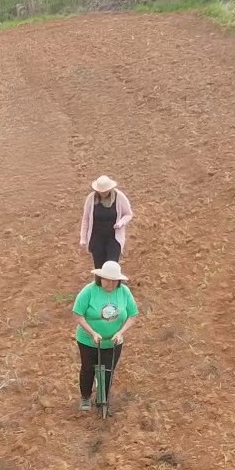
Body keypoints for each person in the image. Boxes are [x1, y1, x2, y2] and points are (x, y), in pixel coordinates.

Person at [72, 260, 140, 411]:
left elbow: (133, 315)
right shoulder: (89, 291)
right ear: (100, 278)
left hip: (113, 342)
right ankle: (85, 397)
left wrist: (120, 333)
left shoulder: (124, 292)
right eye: (106, 280)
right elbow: (78, 314)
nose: (110, 284)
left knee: (107, 371)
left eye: (114, 281)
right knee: (88, 369)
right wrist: (93, 333)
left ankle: (102, 400)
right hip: (88, 341)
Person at [79, 176, 133, 270]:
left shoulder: (119, 197)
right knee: (99, 268)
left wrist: (121, 222)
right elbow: (86, 219)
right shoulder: (91, 198)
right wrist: (83, 238)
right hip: (96, 238)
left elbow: (128, 214)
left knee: (112, 266)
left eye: (105, 191)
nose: (103, 194)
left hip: (114, 238)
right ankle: (99, 280)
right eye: (101, 192)